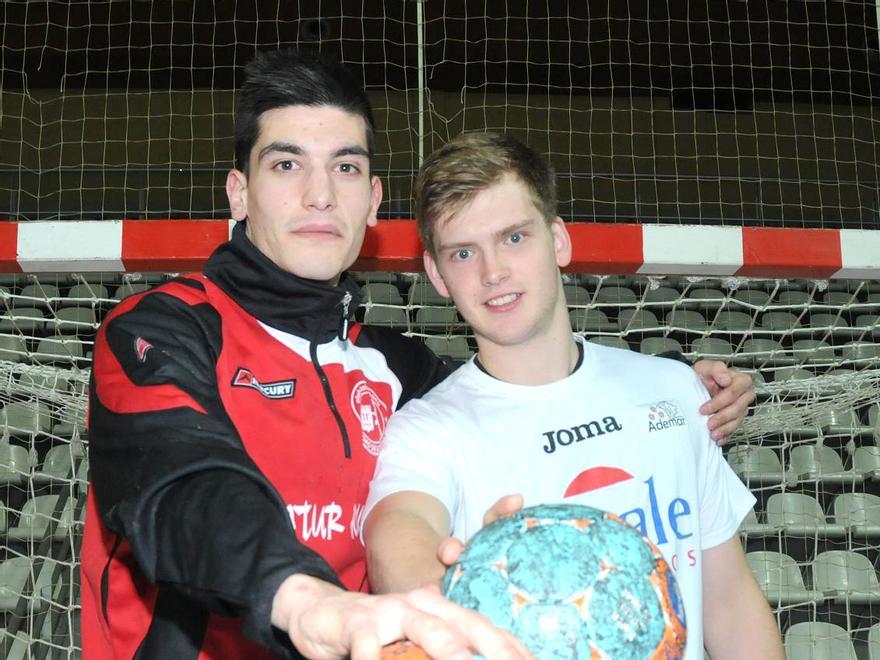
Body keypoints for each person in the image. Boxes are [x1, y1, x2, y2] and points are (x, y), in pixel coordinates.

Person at [80, 48, 751, 658]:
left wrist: (676, 391)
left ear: (372, 201)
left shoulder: (399, 368)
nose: (320, 195)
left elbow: (527, 387)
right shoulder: (162, 331)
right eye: (287, 165)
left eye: (345, 167)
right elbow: (188, 488)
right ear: (238, 192)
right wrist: (307, 600)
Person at [364, 132, 782, 659]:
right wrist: (452, 579)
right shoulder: (426, 430)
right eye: (463, 252)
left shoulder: (674, 391)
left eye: (514, 238)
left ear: (558, 241)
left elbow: (727, 601)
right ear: (437, 275)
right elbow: (397, 536)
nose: (493, 273)